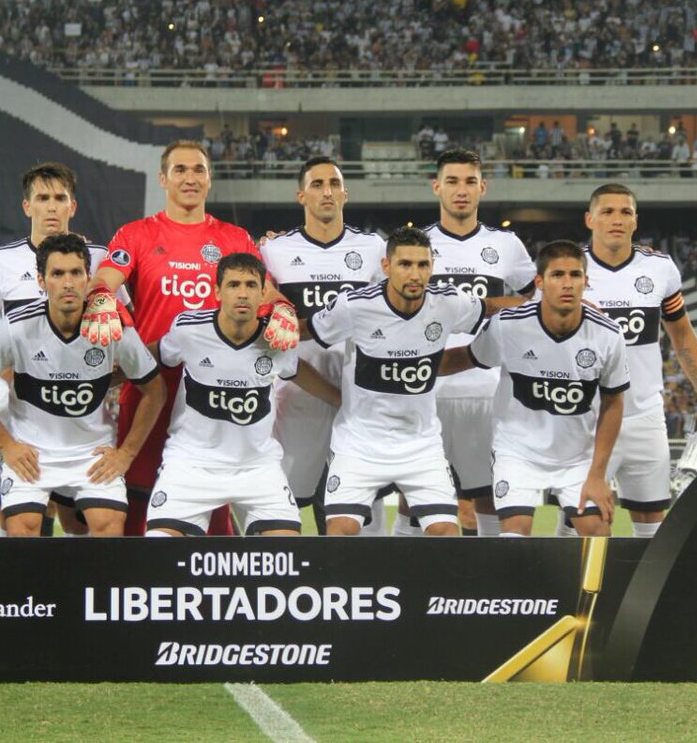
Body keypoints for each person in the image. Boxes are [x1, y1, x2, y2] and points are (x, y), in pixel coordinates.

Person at [79, 140, 298, 536]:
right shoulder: (137, 234)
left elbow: (267, 294)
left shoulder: (234, 238)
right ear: (163, 178)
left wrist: (284, 309)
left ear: (209, 179)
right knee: (140, 497)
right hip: (152, 386)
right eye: (180, 170)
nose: (190, 178)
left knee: (213, 499)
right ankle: (142, 591)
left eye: (198, 170)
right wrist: (97, 299)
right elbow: (103, 282)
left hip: (218, 389)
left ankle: (211, 592)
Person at [305, 226, 510, 536]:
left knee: (445, 532)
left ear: (432, 267)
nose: (415, 274)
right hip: (359, 444)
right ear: (387, 267)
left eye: (422, 265)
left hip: (421, 445)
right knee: (341, 531)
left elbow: (492, 307)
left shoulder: (448, 303)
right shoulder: (355, 306)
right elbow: (304, 331)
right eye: (405, 264)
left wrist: (546, 302)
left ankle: (430, 587)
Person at [0, 234, 164, 537]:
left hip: (90, 452)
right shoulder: (16, 327)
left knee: (108, 526)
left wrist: (126, 454)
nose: (68, 283)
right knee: (22, 529)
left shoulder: (111, 328)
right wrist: (8, 445)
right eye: (58, 274)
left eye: (76, 273)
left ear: (88, 279)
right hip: (33, 451)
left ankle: (87, 587)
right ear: (42, 281)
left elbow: (155, 390)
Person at [444, 240, 629, 537]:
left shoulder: (608, 334)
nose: (567, 283)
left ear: (586, 281)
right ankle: (512, 585)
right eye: (557, 275)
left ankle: (583, 587)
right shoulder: (509, 325)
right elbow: (466, 358)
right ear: (540, 281)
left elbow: (614, 402)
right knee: (515, 533)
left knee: (597, 533)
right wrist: (415, 363)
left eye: (575, 275)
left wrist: (597, 474)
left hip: (576, 457)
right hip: (518, 453)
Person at [0, 162, 122, 538]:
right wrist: (32, 377)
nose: (51, 207)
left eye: (60, 198)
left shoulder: (101, 260)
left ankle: (76, 596)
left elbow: (125, 331)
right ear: (27, 207)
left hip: (82, 422)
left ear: (73, 205)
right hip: (17, 418)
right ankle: (23, 598)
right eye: (42, 198)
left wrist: (95, 377)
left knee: (79, 522)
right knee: (17, 525)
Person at [146, 254, 333, 537]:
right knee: (160, 553)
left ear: (262, 294)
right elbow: (154, 356)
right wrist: (109, 373)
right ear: (218, 291)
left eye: (250, 285)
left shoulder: (274, 340)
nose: (242, 293)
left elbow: (296, 370)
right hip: (191, 464)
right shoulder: (189, 330)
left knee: (287, 557)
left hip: (257, 467)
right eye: (233, 285)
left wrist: (342, 401)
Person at [407, 147, 536, 538]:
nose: (460, 190)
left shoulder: (507, 245)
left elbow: (536, 300)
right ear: (436, 187)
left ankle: (489, 588)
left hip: (488, 390)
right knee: (418, 497)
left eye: (468, 182)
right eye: (451, 181)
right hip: (423, 390)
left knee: (488, 497)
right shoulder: (414, 244)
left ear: (482, 187)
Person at [583, 183, 697, 538]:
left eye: (626, 212)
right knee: (580, 523)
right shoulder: (570, 268)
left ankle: (639, 595)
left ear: (635, 221)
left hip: (644, 415)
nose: (617, 219)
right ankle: (574, 595)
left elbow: (682, 335)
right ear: (590, 219)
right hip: (584, 418)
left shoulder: (660, 269)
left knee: (652, 527)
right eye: (608, 211)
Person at [260, 156, 386, 531]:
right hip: (298, 394)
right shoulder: (274, 251)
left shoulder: (373, 250)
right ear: (301, 195)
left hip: (360, 397)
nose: (326, 191)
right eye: (317, 184)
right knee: (283, 501)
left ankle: (361, 582)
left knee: (359, 508)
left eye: (334, 183)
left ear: (346, 194)